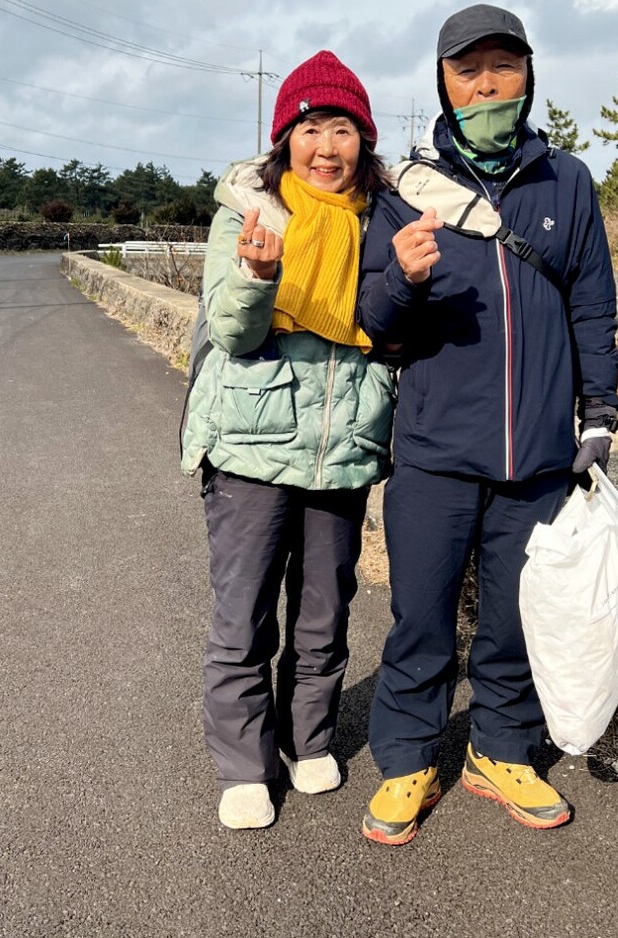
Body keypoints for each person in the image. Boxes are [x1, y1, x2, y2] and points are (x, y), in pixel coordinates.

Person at [357, 4, 618, 846]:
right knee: (421, 616)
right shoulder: (406, 188)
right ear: (442, 81)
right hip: (435, 450)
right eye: (468, 70)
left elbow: (592, 302)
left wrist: (601, 414)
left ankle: (500, 750)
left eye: (503, 67)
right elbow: (375, 322)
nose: (486, 83)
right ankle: (406, 759)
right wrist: (401, 279)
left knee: (512, 621)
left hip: (539, 452)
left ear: (528, 76)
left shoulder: (567, 181)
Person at [181, 50, 395, 831]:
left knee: (324, 611)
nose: (327, 148)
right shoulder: (246, 213)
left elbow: (395, 324)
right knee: (243, 615)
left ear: (362, 142)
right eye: (312, 128)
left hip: (343, 449)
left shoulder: (382, 219)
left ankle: (308, 740)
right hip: (250, 445)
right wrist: (255, 276)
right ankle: (243, 763)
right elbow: (230, 335)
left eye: (343, 129)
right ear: (285, 139)